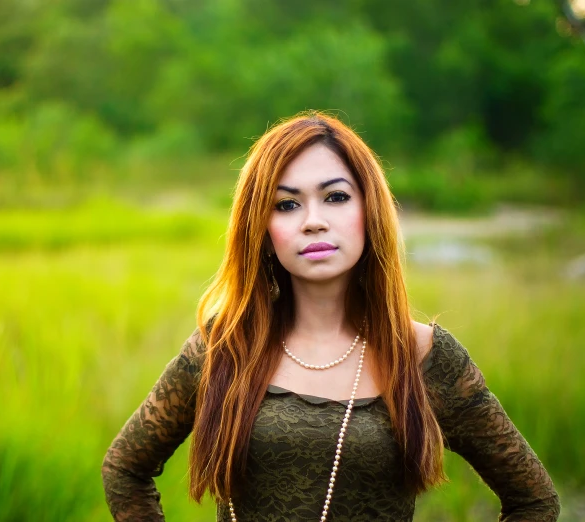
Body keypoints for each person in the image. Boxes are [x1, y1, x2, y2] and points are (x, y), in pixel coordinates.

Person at [101, 112, 560, 521]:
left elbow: (534, 502)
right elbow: (124, 471)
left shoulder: (424, 355)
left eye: (335, 197)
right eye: (286, 204)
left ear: (368, 209)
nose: (313, 221)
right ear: (262, 229)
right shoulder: (224, 348)